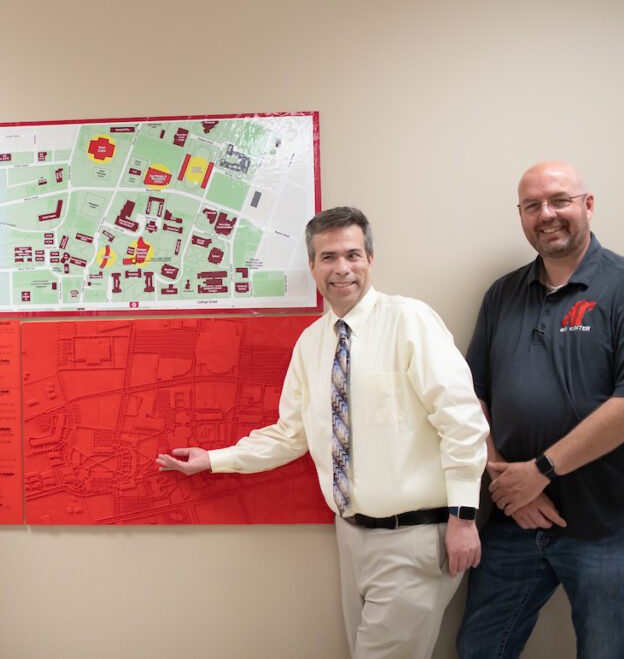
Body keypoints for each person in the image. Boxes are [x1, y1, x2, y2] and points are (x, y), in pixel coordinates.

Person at [157, 206, 488, 658]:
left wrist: (464, 518)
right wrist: (214, 459)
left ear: (371, 258)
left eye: (353, 254)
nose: (342, 268)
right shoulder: (312, 343)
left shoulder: (410, 321)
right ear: (312, 266)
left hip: (414, 540)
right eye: (328, 257)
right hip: (350, 537)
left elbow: (462, 420)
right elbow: (291, 434)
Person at [457, 162, 624, 658]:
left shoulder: (619, 286)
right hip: (514, 522)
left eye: (558, 200)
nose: (545, 214)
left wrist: (542, 471)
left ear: (588, 205)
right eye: (532, 206)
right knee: (479, 650)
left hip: (605, 528)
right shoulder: (502, 294)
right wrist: (506, 479)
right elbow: (471, 397)